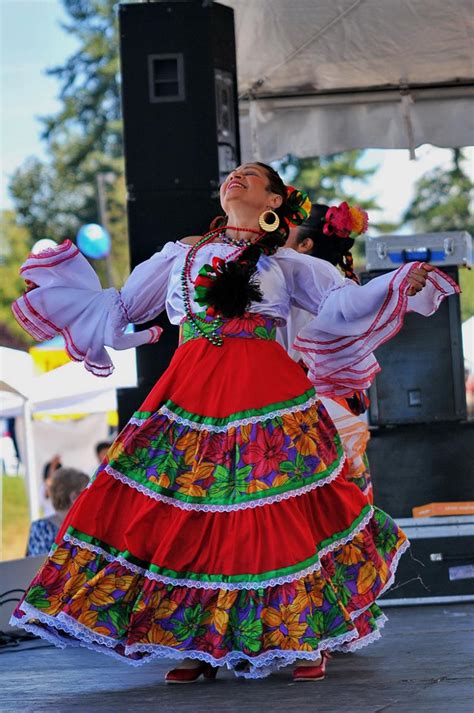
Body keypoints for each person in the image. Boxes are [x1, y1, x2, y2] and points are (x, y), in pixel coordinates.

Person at [10, 163, 458, 683]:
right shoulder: (182, 252)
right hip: (191, 393)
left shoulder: (286, 262)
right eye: (230, 175)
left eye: (250, 176)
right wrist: (67, 300)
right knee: (192, 512)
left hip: (265, 393)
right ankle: (198, 643)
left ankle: (300, 634)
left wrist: (397, 283)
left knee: (275, 509)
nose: (234, 178)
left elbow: (340, 304)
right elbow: (127, 305)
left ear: (274, 199)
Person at [279, 202, 374, 501]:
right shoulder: (339, 288)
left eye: (287, 231)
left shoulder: (297, 287)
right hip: (330, 408)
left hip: (305, 408)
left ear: (305, 245)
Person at [26, 467, 89, 556]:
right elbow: (38, 567)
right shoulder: (42, 528)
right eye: (88, 493)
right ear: (74, 497)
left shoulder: (40, 528)